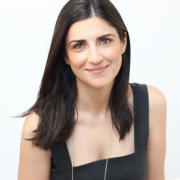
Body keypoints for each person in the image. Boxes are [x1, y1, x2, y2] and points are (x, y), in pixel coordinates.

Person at [17, 0, 167, 179]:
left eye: (105, 41)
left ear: (123, 42)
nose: (95, 58)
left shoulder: (151, 104)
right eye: (79, 45)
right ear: (65, 55)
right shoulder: (40, 125)